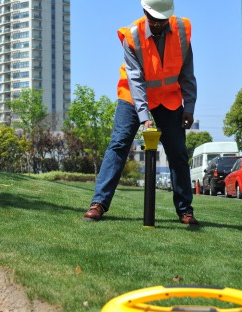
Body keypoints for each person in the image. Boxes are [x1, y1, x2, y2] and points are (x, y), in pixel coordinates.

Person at [83, 0, 199, 225]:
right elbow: (135, 79)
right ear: (144, 11)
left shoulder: (182, 30)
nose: (158, 23)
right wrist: (145, 117)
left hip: (168, 96)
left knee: (177, 151)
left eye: (162, 19)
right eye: (154, 18)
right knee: (119, 144)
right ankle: (98, 203)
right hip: (132, 96)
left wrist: (190, 106)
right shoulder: (132, 36)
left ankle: (186, 210)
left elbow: (187, 71)